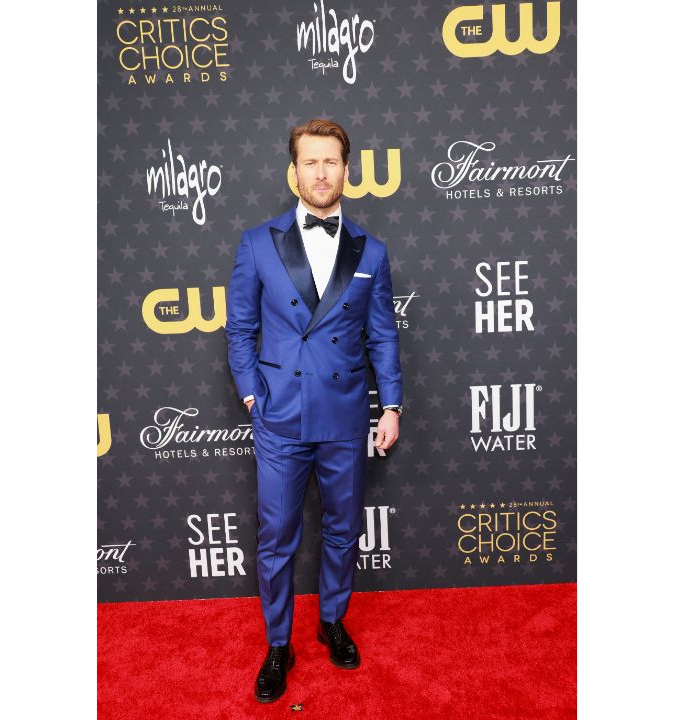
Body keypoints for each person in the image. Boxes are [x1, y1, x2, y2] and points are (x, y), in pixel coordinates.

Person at [224, 118, 404, 703]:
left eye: (331, 162)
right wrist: (252, 394)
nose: (321, 173)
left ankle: (331, 620)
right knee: (277, 535)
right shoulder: (257, 243)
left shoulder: (371, 250)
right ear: (293, 172)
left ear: (346, 170)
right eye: (310, 162)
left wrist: (391, 404)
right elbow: (239, 329)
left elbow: (382, 334)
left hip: (346, 415)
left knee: (343, 528)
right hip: (279, 416)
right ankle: (279, 643)